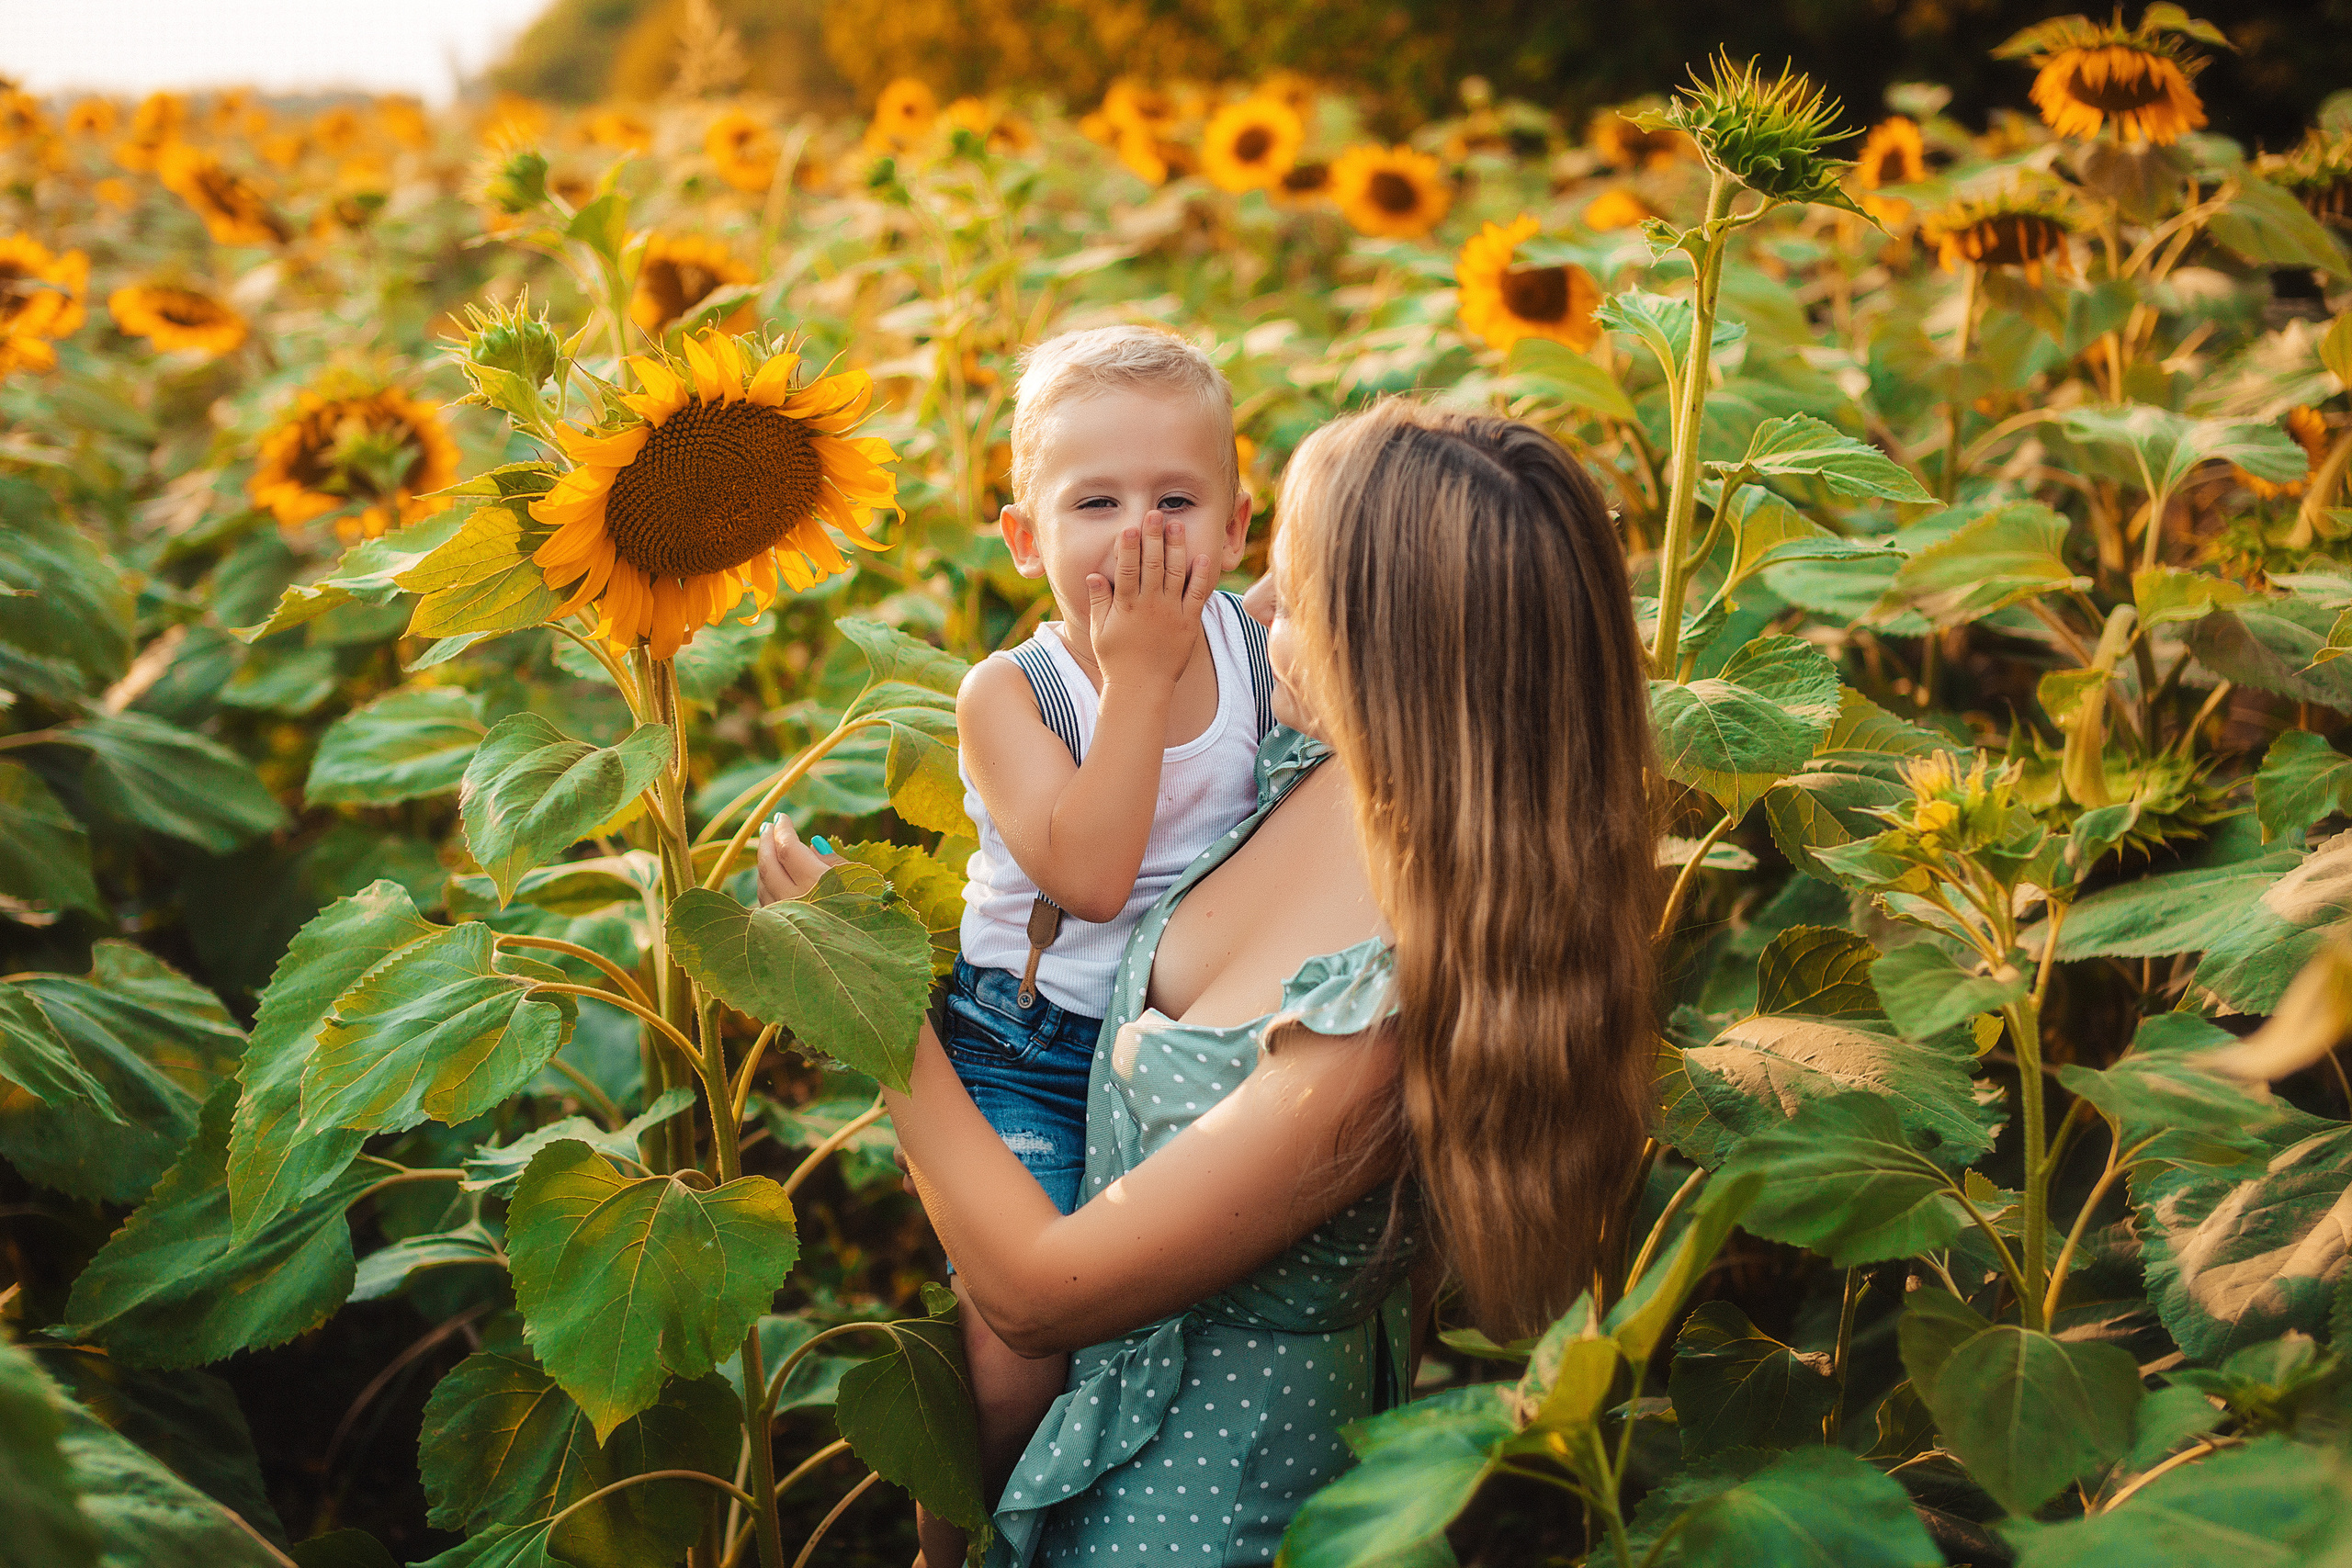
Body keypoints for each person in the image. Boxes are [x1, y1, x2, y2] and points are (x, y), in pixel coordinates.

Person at [759, 400, 1659, 1566]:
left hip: (1195, 1526)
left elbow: (1038, 1296)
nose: (1254, 618)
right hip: (1082, 1460)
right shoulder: (1310, 766)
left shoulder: (1382, 1016)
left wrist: (864, 1002)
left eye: (1294, 591)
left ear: (1387, 657)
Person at [934, 325, 1270, 1556]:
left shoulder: (1249, 642)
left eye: (1177, 498)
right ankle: (948, 1542)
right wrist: (1135, 676)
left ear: (1237, 527)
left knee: (1181, 1323)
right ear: (1026, 538)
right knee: (1022, 1351)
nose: (1142, 534)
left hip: (1196, 1041)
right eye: (1097, 502)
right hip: (1034, 1047)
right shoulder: (1016, 693)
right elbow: (1088, 870)